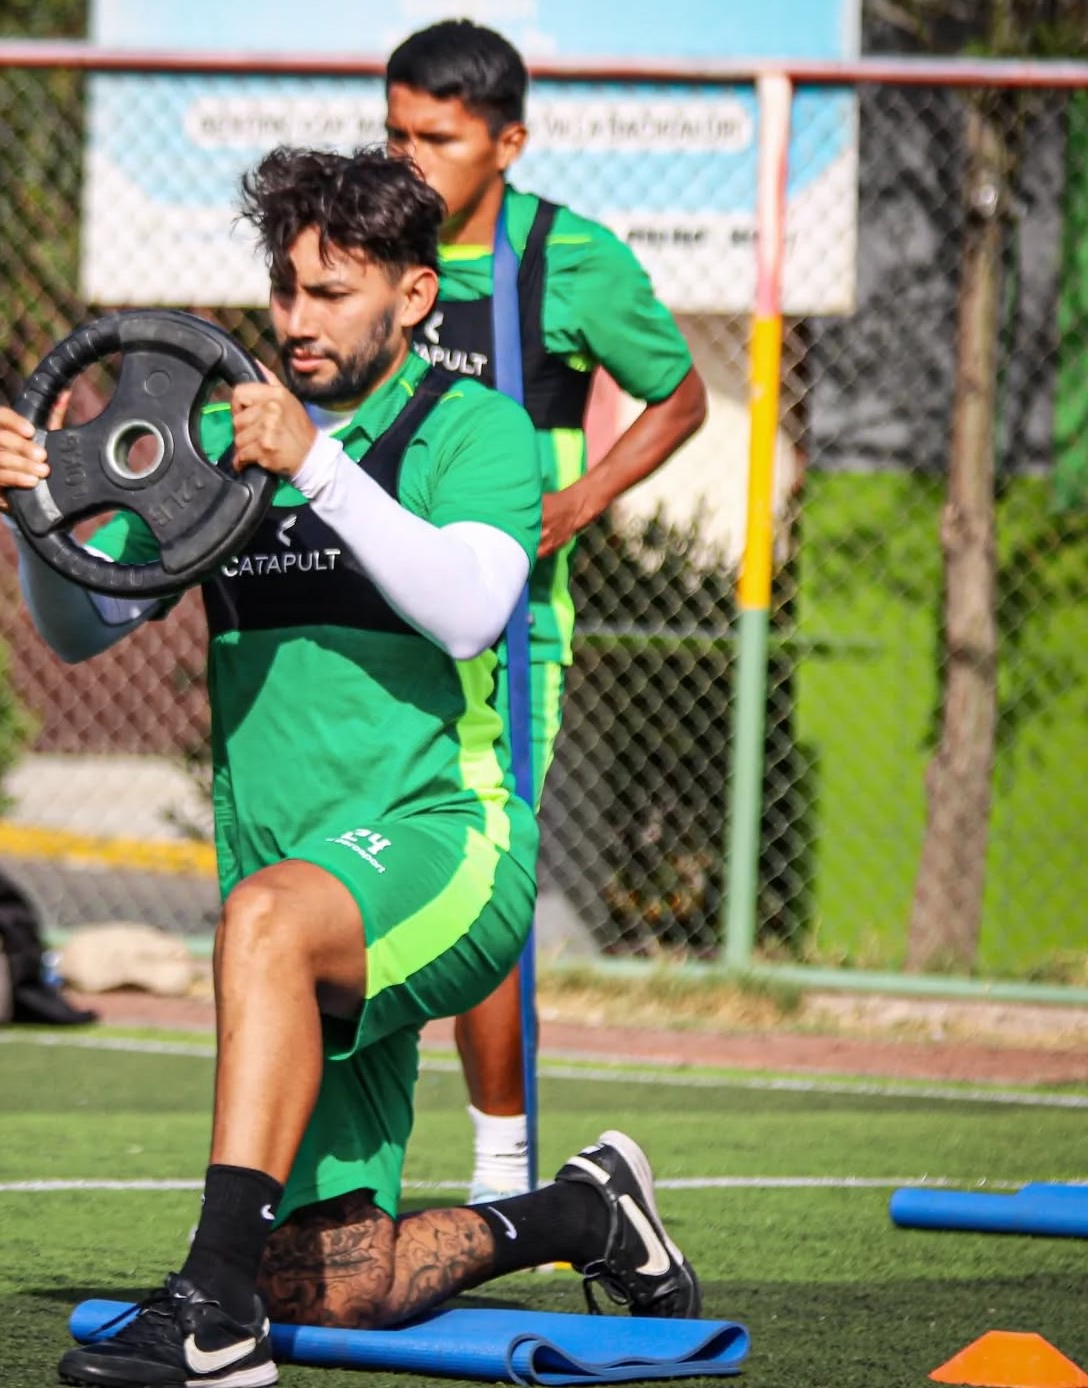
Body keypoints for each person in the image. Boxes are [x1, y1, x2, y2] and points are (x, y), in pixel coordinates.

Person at [0, 146, 699, 1388]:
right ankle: (585, 1212)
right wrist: (38, 518)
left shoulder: (478, 431)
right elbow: (86, 628)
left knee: (261, 926)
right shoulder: (215, 437)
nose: (296, 322)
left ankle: (209, 1315)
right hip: (295, 885)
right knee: (340, 1279)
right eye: (285, 289)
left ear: (415, 297)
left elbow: (471, 607)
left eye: (332, 292)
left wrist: (313, 461)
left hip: (446, 850)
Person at [385, 20, 710, 1203]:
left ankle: (504, 1179)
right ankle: (342, 1177)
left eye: (438, 136)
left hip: (511, 638)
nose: (409, 157)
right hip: (370, 619)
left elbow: (680, 398)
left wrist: (576, 500)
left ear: (507, 141)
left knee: (481, 877)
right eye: (394, 131)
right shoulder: (371, 248)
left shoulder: (568, 260)